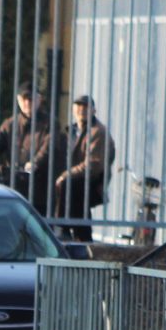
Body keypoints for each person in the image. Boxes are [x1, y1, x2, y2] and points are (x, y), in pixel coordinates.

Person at [0, 81, 58, 215]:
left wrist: (35, 162)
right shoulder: (11, 124)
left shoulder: (49, 124)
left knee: (38, 221)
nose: (27, 102)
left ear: (39, 99)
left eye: (31, 98)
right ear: (18, 100)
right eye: (24, 99)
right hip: (14, 185)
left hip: (39, 188)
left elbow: (48, 147)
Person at [55, 95, 116, 242]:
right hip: (76, 182)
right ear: (73, 109)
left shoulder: (98, 131)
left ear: (93, 110)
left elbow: (93, 165)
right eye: (78, 106)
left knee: (68, 185)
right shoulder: (71, 131)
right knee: (80, 217)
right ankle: (80, 243)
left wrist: (65, 175)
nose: (81, 109)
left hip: (92, 182)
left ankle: (62, 228)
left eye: (86, 106)